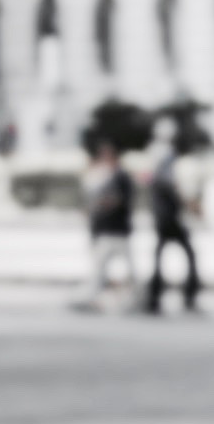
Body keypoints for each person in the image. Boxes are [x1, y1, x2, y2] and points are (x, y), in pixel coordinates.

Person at [144, 121, 201, 316]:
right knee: (188, 255)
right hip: (169, 218)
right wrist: (186, 203)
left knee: (161, 257)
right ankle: (185, 295)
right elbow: (170, 186)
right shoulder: (165, 159)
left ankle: (155, 296)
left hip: (164, 217)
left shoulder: (157, 158)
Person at [74, 141, 136, 313]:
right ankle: (94, 297)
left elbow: (117, 201)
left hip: (116, 230)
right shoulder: (108, 176)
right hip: (108, 230)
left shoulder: (120, 177)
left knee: (114, 268)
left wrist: (99, 205)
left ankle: (133, 297)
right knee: (101, 268)